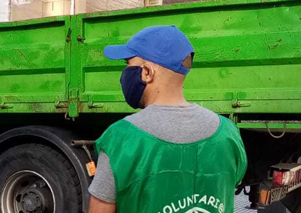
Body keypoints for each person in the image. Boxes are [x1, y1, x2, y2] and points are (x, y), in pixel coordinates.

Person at [88, 25, 247, 213]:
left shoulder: (120, 139)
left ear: (147, 73)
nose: (124, 75)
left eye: (128, 65)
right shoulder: (228, 133)